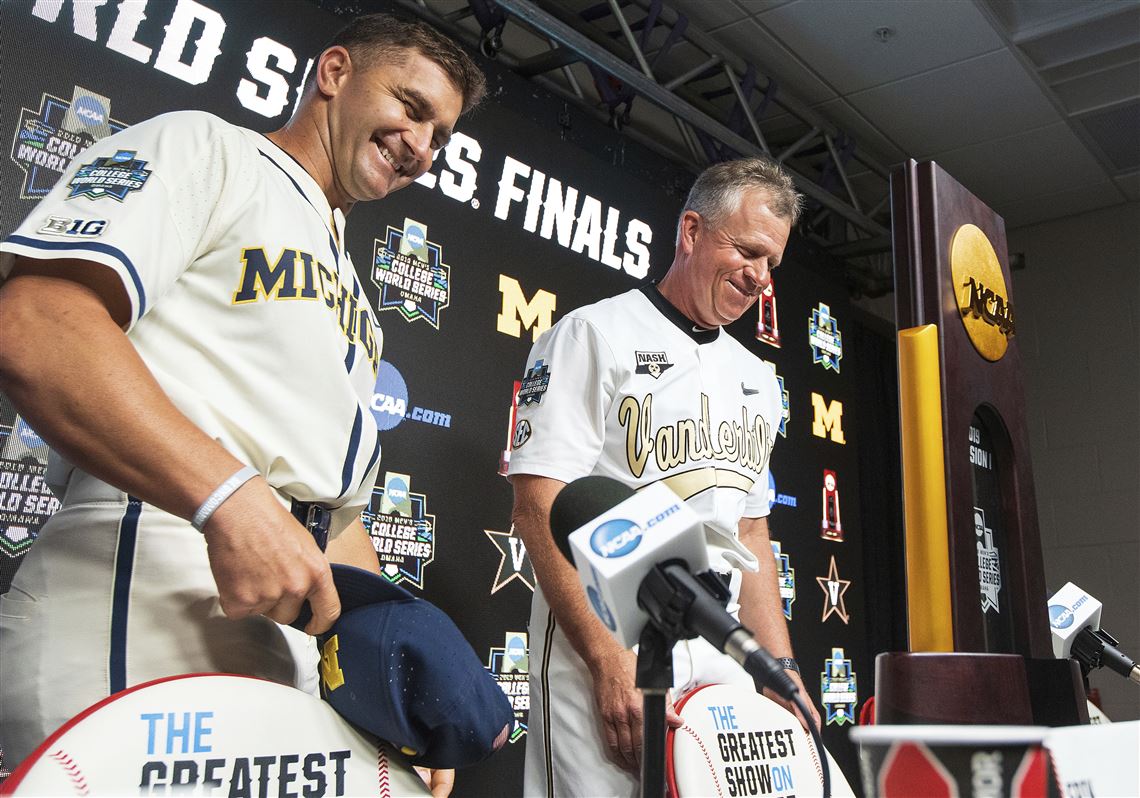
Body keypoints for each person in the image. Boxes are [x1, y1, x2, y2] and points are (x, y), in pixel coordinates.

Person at [0, 11, 484, 787]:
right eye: (411, 106)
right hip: (149, 578)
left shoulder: (358, 299)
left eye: (442, 136)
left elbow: (334, 520)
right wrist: (227, 494)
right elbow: (37, 321)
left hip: (283, 630)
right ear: (334, 74)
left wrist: (389, 680)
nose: (422, 146)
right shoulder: (207, 149)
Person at [508, 157, 822, 797]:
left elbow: (752, 532)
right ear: (691, 231)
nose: (761, 278)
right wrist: (608, 662)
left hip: (718, 634)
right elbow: (539, 504)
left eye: (772, 265)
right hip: (605, 635)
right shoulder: (594, 333)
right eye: (749, 251)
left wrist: (777, 668)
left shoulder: (759, 379)